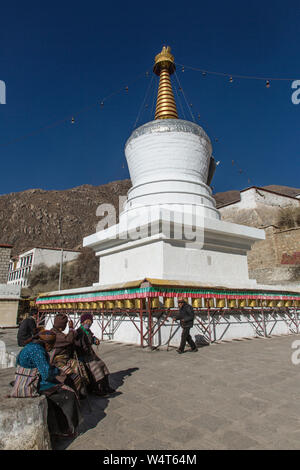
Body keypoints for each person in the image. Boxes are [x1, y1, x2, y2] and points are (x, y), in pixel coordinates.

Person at [16, 329, 82, 439]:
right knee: (68, 394)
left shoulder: (32, 346)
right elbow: (46, 374)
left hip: (28, 376)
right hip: (33, 382)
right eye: (52, 345)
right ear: (47, 344)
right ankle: (64, 429)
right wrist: (57, 371)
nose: (52, 348)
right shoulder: (38, 351)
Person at [74, 313, 115, 396]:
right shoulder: (78, 332)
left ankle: (106, 386)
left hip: (90, 354)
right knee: (96, 368)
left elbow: (92, 338)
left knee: (102, 364)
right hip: (84, 356)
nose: (89, 323)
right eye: (87, 321)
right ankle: (97, 389)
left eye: (90, 322)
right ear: (82, 322)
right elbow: (77, 346)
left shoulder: (88, 331)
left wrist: (95, 340)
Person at [50, 313, 89, 397]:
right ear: (61, 326)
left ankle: (81, 389)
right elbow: (69, 339)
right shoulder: (55, 334)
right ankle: (73, 393)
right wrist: (71, 328)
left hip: (66, 359)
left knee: (79, 366)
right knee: (73, 375)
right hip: (57, 362)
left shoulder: (58, 332)